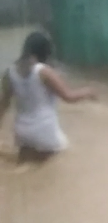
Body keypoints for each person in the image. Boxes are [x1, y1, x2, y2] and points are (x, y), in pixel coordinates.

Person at [0, 31, 96, 163]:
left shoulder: (9, 73)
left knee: (26, 167)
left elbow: (3, 106)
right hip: (45, 131)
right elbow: (69, 97)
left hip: (22, 133)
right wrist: (88, 92)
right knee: (63, 164)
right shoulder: (43, 71)